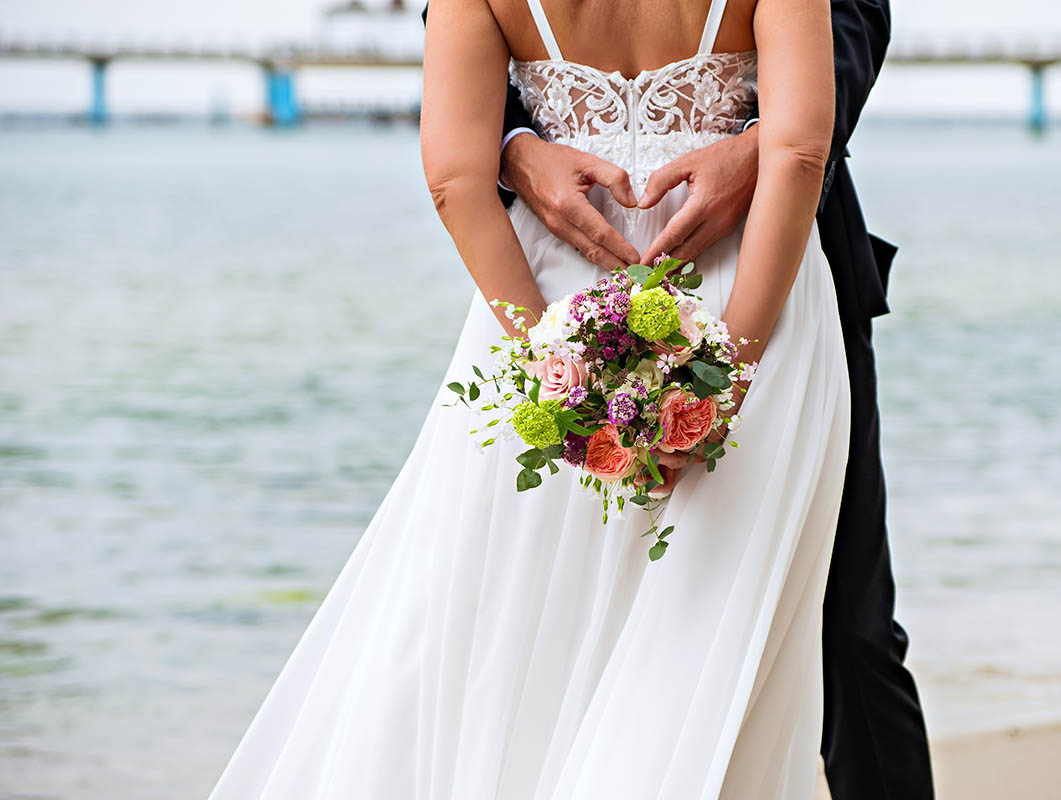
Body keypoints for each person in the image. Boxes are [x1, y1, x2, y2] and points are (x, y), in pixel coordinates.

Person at [210, 0, 856, 797]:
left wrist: (557, 368)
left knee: (513, 630)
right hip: (746, 288)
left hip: (554, 288)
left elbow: (454, 178)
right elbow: (795, 153)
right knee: (712, 637)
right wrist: (724, 376)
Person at [497, 1, 934, 798]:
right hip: (569, 281)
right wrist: (513, 148)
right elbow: (463, 83)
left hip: (791, 269)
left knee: (851, 631)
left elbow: (856, 15)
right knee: (547, 618)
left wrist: (770, 142)